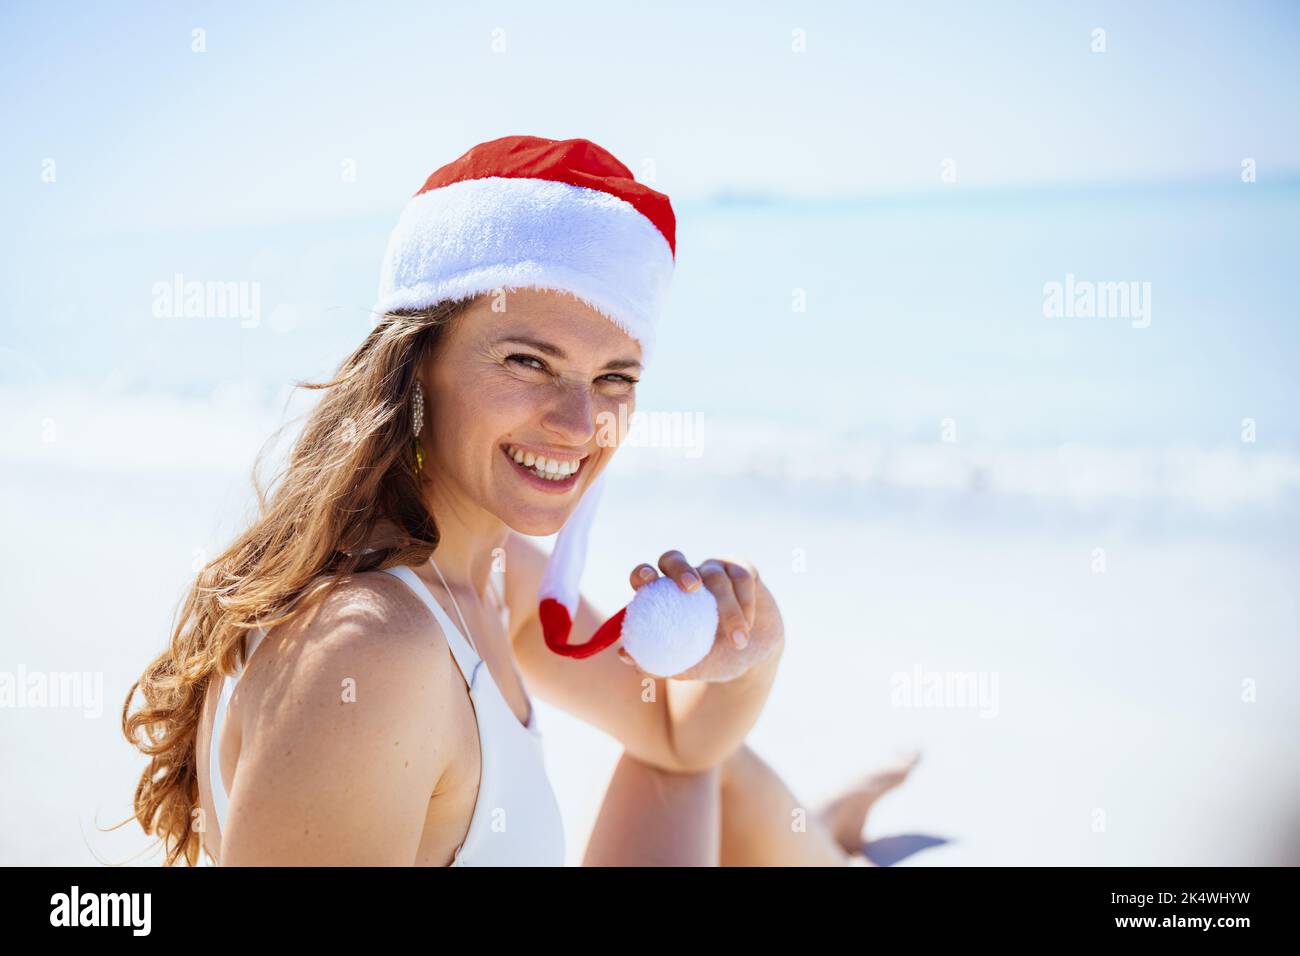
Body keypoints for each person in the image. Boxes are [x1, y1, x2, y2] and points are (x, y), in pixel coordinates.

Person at [122, 135, 921, 866]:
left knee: (707, 767)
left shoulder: (490, 580)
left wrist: (751, 650)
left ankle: (827, 839)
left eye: (615, 378)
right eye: (529, 362)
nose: (581, 424)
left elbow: (678, 741)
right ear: (413, 364)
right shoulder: (371, 650)